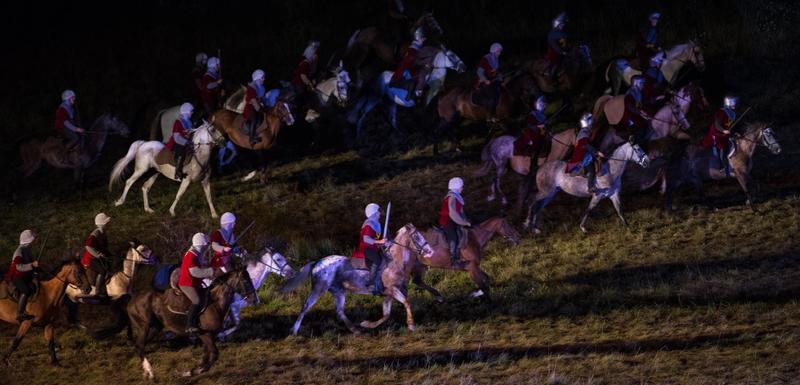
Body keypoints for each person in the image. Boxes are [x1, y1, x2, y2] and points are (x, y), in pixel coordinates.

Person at [178, 233, 223, 334]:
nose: (207, 247)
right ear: (200, 245)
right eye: (205, 245)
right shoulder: (191, 256)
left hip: (195, 283)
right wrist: (211, 271)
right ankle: (190, 325)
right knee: (197, 301)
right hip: (186, 284)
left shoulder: (196, 254)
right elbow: (195, 272)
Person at [352, 203, 387, 295]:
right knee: (377, 260)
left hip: (374, 248)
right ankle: (370, 283)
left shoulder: (377, 224)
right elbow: (366, 239)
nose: (380, 214)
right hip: (366, 248)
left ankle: (382, 282)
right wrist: (379, 242)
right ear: (375, 213)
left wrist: (384, 242)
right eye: (378, 212)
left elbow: (377, 239)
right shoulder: (369, 224)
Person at [4, 230, 39, 321]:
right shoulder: (19, 251)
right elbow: (18, 267)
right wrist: (32, 265)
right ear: (28, 240)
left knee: (35, 287)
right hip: (16, 276)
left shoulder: (28, 250)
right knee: (26, 291)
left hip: (25, 276)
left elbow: (31, 264)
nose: (34, 241)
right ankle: (20, 313)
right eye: (33, 239)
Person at [566, 113, 605, 193]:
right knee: (592, 171)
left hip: (587, 153)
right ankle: (590, 187)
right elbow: (586, 145)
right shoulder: (584, 132)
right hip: (584, 156)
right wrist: (597, 152)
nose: (591, 124)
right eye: (590, 122)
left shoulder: (585, 132)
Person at [438, 177, 471, 266]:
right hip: (447, 222)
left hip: (454, 221)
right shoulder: (451, 197)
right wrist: (464, 222)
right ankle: (454, 260)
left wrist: (466, 220)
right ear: (456, 187)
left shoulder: (457, 197)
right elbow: (453, 213)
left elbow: (461, 212)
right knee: (454, 238)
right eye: (461, 187)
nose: (462, 188)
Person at [702, 95, 738, 174]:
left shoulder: (733, 114)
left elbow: (731, 125)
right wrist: (723, 130)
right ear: (728, 103)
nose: (734, 104)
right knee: (721, 147)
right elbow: (717, 124)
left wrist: (735, 132)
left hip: (726, 134)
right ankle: (722, 166)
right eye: (733, 102)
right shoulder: (721, 112)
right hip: (717, 133)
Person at [513, 96, 548, 175]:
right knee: (534, 143)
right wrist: (539, 126)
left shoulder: (543, 115)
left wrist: (545, 126)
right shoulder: (532, 114)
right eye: (541, 104)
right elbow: (530, 125)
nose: (543, 106)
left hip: (540, 132)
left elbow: (544, 126)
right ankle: (533, 163)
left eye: (544, 104)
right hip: (531, 132)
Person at [81, 213, 112, 297]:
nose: (109, 224)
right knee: (102, 270)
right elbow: (88, 246)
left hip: (98, 257)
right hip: (91, 258)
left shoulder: (103, 233)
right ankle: (97, 291)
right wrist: (98, 254)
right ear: (103, 224)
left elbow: (103, 247)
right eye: (107, 223)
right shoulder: (95, 234)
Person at [391, 28, 426, 101]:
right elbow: (411, 61)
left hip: (411, 67)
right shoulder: (413, 49)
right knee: (413, 80)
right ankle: (408, 95)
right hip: (406, 71)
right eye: (423, 38)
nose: (424, 39)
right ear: (419, 38)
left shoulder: (419, 48)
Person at [475, 43, 503, 122]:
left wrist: (500, 77)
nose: (499, 53)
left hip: (494, 81)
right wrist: (485, 80)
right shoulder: (485, 59)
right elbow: (479, 72)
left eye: (500, 52)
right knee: (493, 97)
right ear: (493, 51)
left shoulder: (496, 59)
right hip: (484, 81)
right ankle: (489, 116)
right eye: (498, 51)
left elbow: (497, 72)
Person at [166, 103, 194, 180]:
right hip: (178, 142)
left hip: (188, 142)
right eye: (191, 111)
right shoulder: (178, 122)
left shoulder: (189, 122)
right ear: (186, 112)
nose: (192, 113)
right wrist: (186, 142)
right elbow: (176, 137)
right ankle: (177, 173)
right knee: (181, 152)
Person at [623, 75, 650, 145]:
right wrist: (640, 113)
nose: (643, 85)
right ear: (636, 83)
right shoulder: (631, 92)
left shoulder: (639, 93)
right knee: (639, 130)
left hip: (636, 115)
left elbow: (641, 104)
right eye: (641, 83)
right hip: (630, 117)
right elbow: (629, 106)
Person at [244, 70, 266, 146]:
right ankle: (251, 138)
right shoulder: (251, 88)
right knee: (254, 119)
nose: (264, 79)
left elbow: (262, 99)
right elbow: (253, 101)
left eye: (263, 77)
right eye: (262, 77)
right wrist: (260, 109)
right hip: (250, 108)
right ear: (258, 78)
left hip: (259, 107)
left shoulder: (261, 87)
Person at [545, 13, 569, 81]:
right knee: (556, 63)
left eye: (564, 24)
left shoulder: (562, 34)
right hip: (554, 53)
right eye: (562, 24)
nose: (563, 25)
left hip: (562, 53)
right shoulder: (552, 35)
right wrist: (562, 51)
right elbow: (554, 45)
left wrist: (566, 49)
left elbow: (564, 44)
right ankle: (551, 77)